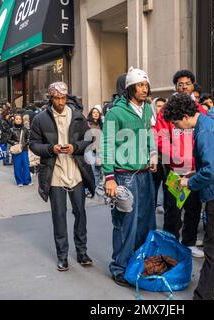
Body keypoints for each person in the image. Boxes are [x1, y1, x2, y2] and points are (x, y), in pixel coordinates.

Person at [164, 93, 214, 300]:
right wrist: (195, 173)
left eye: (175, 123)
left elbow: (212, 171)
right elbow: (213, 164)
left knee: (213, 245)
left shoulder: (205, 131)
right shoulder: (206, 123)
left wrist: (189, 182)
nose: (176, 127)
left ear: (183, 116)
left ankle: (204, 296)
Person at [30, 82, 95, 272]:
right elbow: (33, 144)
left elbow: (89, 139)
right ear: (51, 98)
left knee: (80, 213)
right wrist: (51, 149)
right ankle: (62, 256)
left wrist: (75, 147)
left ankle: (82, 252)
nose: (60, 101)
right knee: (58, 216)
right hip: (55, 173)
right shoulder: (40, 119)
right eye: (56, 98)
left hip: (76, 172)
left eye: (63, 98)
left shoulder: (77, 117)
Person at [101, 67, 157, 287]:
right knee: (126, 224)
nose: (145, 90)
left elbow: (149, 134)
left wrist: (152, 154)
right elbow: (106, 143)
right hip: (124, 177)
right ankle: (120, 268)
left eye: (146, 85)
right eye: (141, 86)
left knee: (145, 222)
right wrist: (109, 177)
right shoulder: (116, 112)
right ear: (130, 88)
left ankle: (138, 263)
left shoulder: (146, 110)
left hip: (144, 175)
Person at [155, 69, 207, 258]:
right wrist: (175, 156)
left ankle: (189, 243)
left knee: (193, 208)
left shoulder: (200, 109)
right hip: (175, 169)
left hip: (195, 169)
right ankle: (171, 243)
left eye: (187, 83)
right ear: (175, 86)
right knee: (173, 210)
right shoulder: (166, 109)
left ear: (193, 85)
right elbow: (159, 136)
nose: (184, 86)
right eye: (180, 84)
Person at [8, 114, 32, 187]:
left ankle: (27, 181)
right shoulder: (11, 129)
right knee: (17, 166)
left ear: (22, 120)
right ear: (14, 120)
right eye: (16, 119)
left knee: (26, 165)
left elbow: (29, 139)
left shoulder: (25, 129)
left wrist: (24, 144)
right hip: (16, 150)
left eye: (19, 119)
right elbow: (8, 139)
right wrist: (14, 143)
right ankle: (19, 181)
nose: (18, 120)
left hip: (24, 149)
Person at [86, 105, 103, 189]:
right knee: (93, 171)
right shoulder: (88, 124)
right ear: (91, 114)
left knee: (99, 171)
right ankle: (92, 189)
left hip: (100, 150)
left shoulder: (101, 124)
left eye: (97, 113)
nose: (96, 114)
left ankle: (97, 188)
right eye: (94, 112)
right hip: (91, 150)